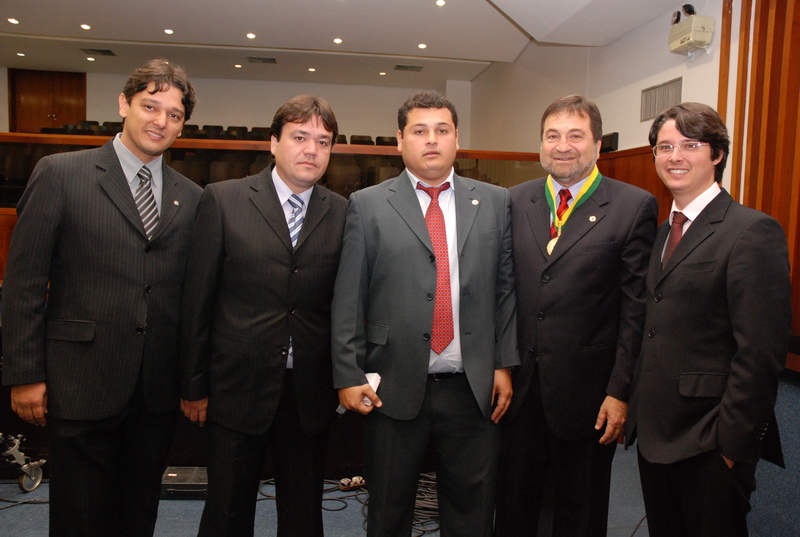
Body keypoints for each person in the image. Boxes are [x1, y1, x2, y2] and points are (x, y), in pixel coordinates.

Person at [2, 58, 201, 536]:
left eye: (174, 114)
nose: (161, 120)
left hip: (155, 388)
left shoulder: (193, 196)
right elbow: (24, 282)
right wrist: (25, 373)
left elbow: (191, 295)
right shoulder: (60, 173)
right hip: (80, 380)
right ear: (124, 104)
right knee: (81, 515)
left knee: (139, 512)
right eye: (150, 106)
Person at [332, 91, 518, 537]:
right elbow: (349, 296)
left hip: (472, 385)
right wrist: (347, 373)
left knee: (472, 511)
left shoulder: (495, 201)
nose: (431, 140)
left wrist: (503, 363)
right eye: (419, 131)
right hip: (391, 383)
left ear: (457, 139)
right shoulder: (367, 203)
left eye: (442, 130)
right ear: (400, 140)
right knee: (388, 510)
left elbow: (505, 290)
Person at [180, 95, 346, 537]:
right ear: (273, 143)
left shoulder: (344, 212)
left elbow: (344, 305)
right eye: (300, 137)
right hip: (236, 386)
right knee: (227, 511)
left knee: (303, 514)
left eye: (323, 142)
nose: (311, 150)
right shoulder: (223, 199)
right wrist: (194, 385)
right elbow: (198, 300)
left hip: (308, 391)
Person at [494, 95, 658, 537]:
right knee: (513, 510)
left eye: (575, 135)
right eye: (552, 135)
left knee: (579, 514)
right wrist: (499, 362)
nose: (563, 146)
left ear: (598, 145)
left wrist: (620, 392)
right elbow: (502, 290)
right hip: (518, 393)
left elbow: (635, 310)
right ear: (540, 144)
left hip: (588, 397)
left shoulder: (633, 206)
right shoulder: (513, 201)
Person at [625, 102, 791, 537]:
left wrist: (730, 449)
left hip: (711, 439)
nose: (674, 156)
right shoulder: (664, 232)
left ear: (717, 154)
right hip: (657, 433)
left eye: (690, 145)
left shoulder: (752, 231)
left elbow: (760, 354)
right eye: (664, 147)